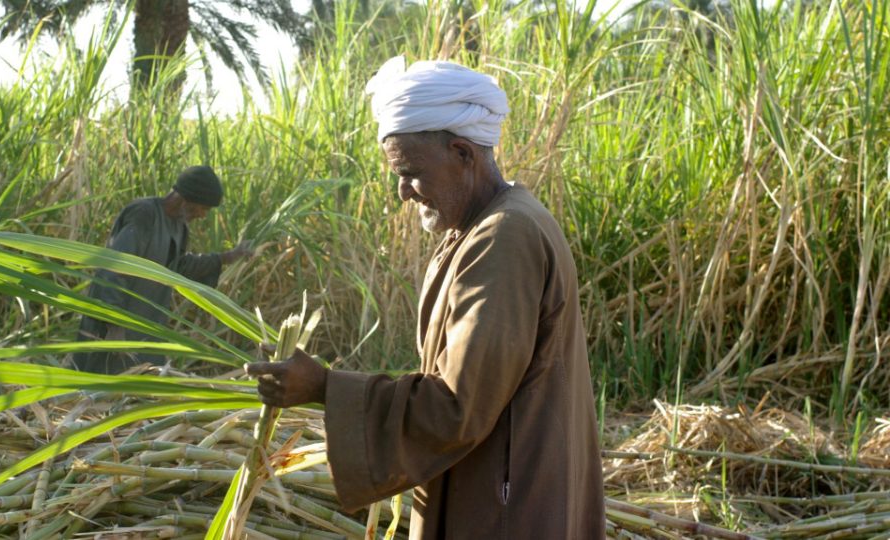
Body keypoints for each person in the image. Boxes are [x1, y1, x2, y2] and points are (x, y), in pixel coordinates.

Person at [245, 57, 606, 539]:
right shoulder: (487, 225)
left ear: (462, 153)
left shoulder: (505, 236)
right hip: (505, 483)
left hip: (507, 503)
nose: (402, 193)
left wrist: (324, 387)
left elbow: (457, 405)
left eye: (411, 172)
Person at [73, 165, 255, 375]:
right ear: (187, 199)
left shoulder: (179, 226)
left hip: (146, 326)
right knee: (97, 386)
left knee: (138, 391)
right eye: (203, 208)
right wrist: (114, 324)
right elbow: (115, 266)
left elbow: (177, 267)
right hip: (115, 325)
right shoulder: (144, 214)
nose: (203, 215)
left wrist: (228, 257)